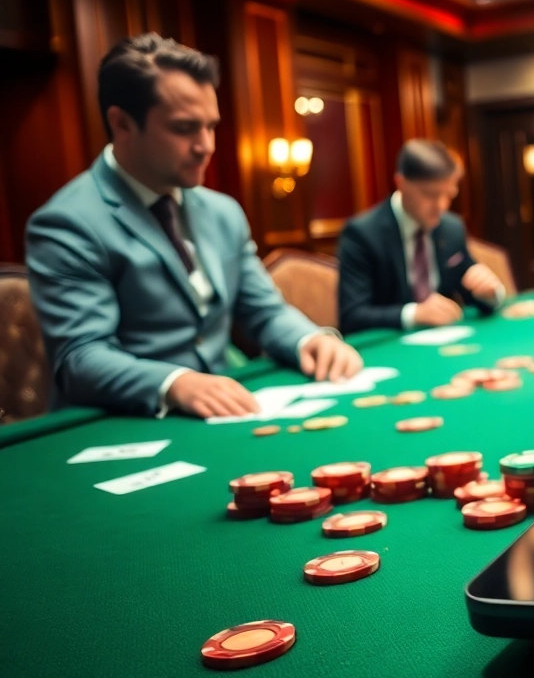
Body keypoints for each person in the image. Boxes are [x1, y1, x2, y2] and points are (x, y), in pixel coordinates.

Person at [25, 33, 363, 419]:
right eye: (185, 128)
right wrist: (175, 383)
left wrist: (308, 339)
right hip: (125, 421)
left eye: (211, 126)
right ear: (121, 123)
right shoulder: (67, 222)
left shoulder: (223, 211)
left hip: (226, 411)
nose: (207, 145)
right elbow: (80, 356)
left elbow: (264, 312)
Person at [337, 140, 505, 334]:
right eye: (431, 195)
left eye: (449, 195)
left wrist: (488, 293)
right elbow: (351, 316)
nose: (442, 206)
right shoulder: (362, 234)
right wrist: (414, 314)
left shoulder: (452, 227)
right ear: (401, 183)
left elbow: (471, 288)